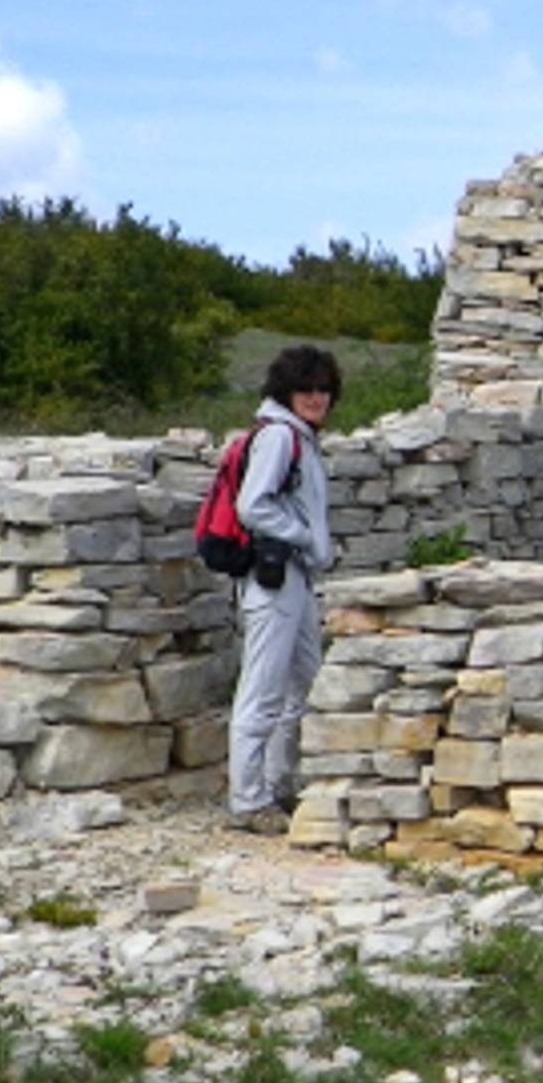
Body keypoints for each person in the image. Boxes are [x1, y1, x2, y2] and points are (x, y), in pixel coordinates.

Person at [228, 344, 340, 829]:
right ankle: (248, 800)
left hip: (294, 578)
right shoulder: (279, 437)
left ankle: (275, 784)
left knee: (304, 685)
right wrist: (306, 538)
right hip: (274, 578)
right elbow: (253, 505)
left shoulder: (298, 437)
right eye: (305, 388)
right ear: (286, 391)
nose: (316, 397)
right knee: (263, 691)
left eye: (323, 388)